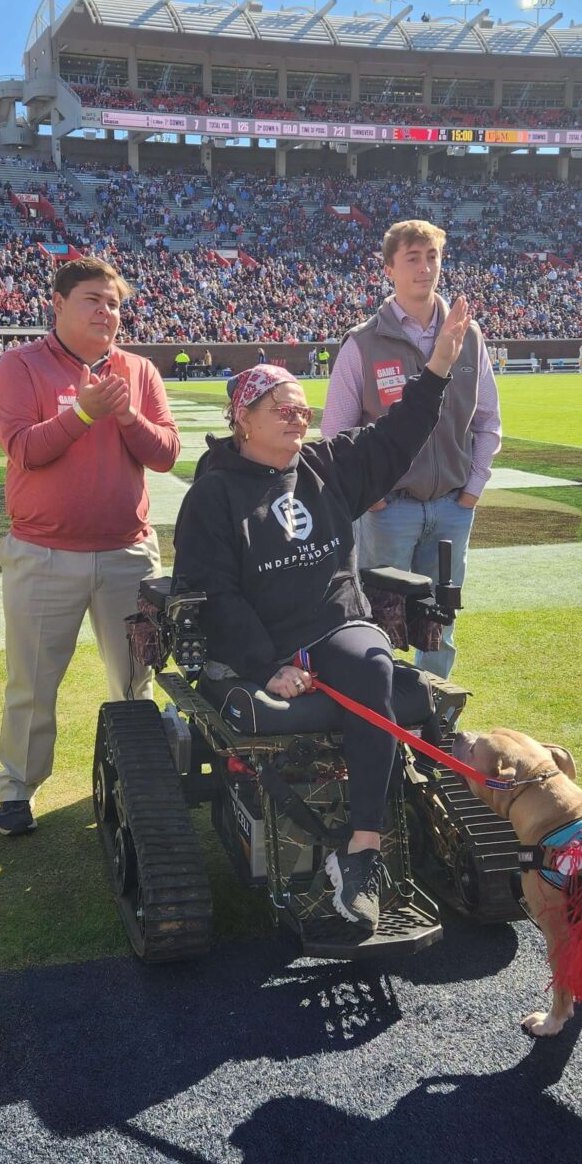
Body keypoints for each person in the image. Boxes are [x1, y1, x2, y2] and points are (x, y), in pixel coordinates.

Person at [173, 305, 469, 933]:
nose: (298, 417)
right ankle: (352, 847)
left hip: (336, 625)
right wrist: (267, 666)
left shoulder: (327, 466)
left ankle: (359, 852)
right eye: (282, 409)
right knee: (367, 674)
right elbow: (215, 593)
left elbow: (396, 435)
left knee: (372, 663)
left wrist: (438, 367)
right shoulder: (213, 495)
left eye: (303, 408)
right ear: (242, 419)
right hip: (267, 644)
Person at [0, 256, 179, 837]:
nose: (107, 311)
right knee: (34, 680)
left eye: (115, 302)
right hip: (44, 554)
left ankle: (138, 779)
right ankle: (17, 788)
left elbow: (166, 453)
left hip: (126, 551)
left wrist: (124, 417)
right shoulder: (21, 365)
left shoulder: (139, 370)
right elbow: (24, 449)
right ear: (59, 304)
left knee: (135, 679)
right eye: (93, 299)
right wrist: (85, 413)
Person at [320, 219, 501, 680]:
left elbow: (487, 421)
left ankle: (433, 724)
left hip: (452, 507)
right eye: (412, 259)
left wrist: (473, 489)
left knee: (442, 623)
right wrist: (373, 495)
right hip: (388, 511)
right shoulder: (363, 341)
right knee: (376, 621)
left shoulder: (470, 336)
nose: (424, 268)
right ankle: (380, 719)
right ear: (389, 269)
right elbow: (337, 432)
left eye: (432, 257)